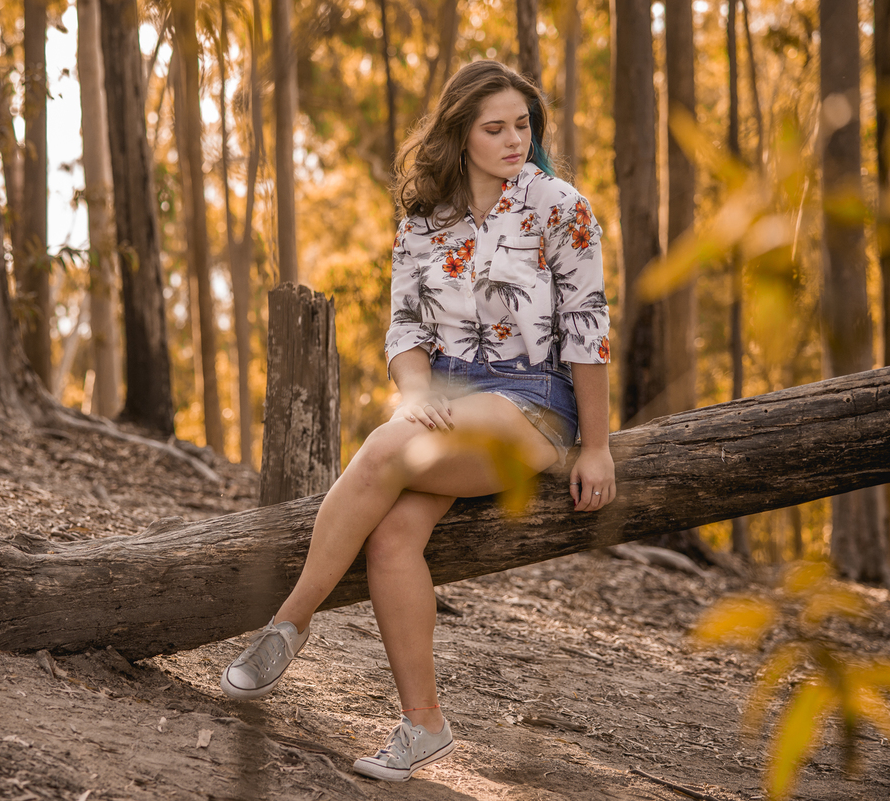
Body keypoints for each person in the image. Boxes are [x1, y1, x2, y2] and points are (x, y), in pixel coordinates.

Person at [220, 59, 616, 782]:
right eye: (494, 128)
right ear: (460, 135)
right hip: (447, 398)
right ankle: (424, 726)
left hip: (533, 400)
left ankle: (288, 622)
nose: (514, 140)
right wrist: (412, 389)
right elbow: (405, 328)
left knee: (380, 451)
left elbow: (588, 329)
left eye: (522, 125)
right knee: (393, 538)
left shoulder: (560, 205)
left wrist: (597, 447)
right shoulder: (424, 222)